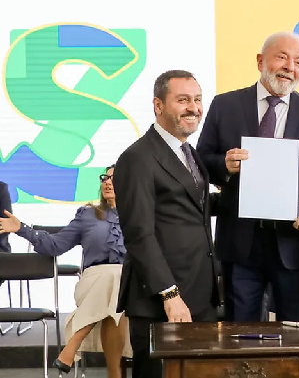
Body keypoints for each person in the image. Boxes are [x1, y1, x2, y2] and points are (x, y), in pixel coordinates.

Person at [196, 32, 299, 322]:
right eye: (282, 57)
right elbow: (201, 161)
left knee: (298, 336)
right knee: (241, 338)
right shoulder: (225, 105)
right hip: (241, 243)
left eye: (298, 61)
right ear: (261, 61)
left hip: (295, 243)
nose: (290, 67)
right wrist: (224, 165)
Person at [114, 70, 218, 378]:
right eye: (183, 100)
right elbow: (139, 235)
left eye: (198, 100)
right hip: (161, 303)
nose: (194, 108)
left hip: (199, 297)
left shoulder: (190, 153)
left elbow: (194, 211)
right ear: (158, 106)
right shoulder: (138, 158)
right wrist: (170, 295)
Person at [0, 166, 131, 377]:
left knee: (117, 284)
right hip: (93, 281)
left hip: (127, 283)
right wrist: (21, 229)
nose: (107, 182)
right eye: (105, 177)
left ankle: (75, 342)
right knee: (114, 282)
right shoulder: (88, 214)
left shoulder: (139, 215)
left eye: (114, 178)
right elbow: (55, 245)